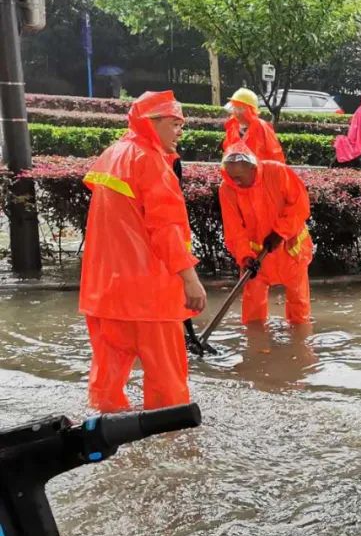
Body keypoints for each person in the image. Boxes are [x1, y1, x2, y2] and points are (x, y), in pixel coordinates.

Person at [80, 90, 207, 412]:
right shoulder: (149, 161)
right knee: (167, 380)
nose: (180, 131)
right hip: (148, 295)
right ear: (151, 123)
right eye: (174, 123)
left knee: (106, 380)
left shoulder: (113, 154)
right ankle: (173, 443)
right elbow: (165, 228)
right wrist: (189, 280)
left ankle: (106, 437)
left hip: (104, 292)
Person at [218, 142, 313, 325]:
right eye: (230, 176)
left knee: (299, 307)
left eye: (239, 177)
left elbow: (300, 206)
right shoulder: (227, 188)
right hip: (256, 257)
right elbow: (234, 229)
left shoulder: (278, 172)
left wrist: (280, 232)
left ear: (252, 168)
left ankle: (301, 343)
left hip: (290, 250)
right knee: (253, 312)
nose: (235, 182)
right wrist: (245, 258)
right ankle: (255, 344)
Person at [223, 87, 286, 164]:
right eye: (235, 107)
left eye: (240, 108)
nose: (237, 112)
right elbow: (228, 151)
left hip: (261, 172)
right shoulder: (233, 127)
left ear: (250, 110)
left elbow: (275, 154)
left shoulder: (262, 127)